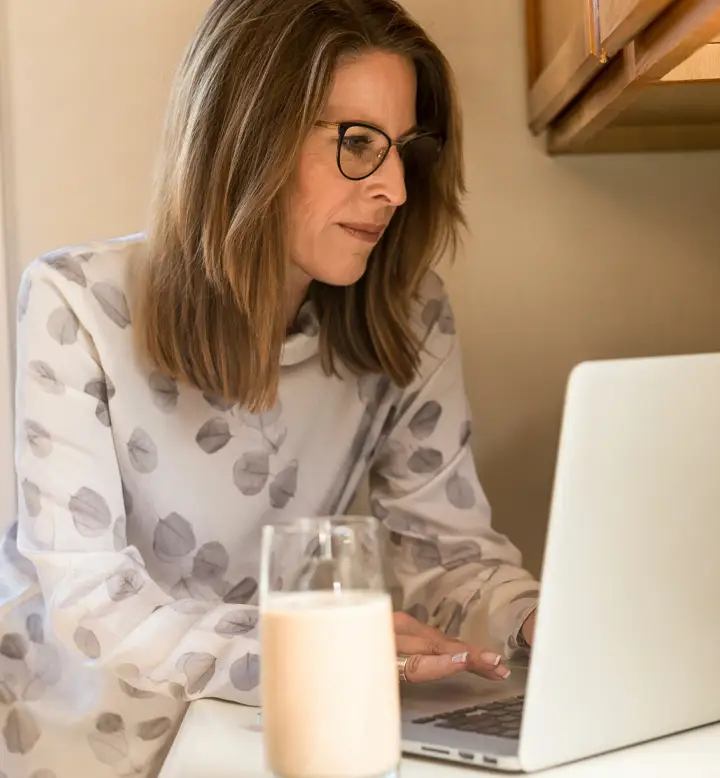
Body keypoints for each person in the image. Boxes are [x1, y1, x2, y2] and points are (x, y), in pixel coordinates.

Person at [0, 0, 541, 775]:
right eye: (357, 143)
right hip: (70, 743)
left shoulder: (409, 316)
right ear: (244, 138)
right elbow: (91, 602)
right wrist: (316, 646)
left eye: (402, 150)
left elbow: (446, 554)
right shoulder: (74, 302)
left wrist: (532, 619)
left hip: (258, 734)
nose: (395, 188)